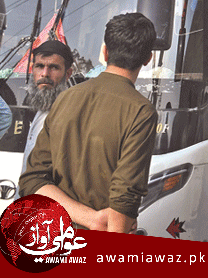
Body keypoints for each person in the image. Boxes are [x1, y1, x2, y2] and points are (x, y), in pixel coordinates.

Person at [19, 13, 157, 233]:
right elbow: (125, 196)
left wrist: (90, 219)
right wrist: (96, 222)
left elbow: (33, 179)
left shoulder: (66, 97)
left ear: (105, 52)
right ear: (148, 58)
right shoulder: (141, 110)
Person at [19, 40, 74, 175]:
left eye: (53, 67)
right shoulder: (42, 106)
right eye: (39, 66)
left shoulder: (71, 114)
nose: (44, 74)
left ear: (68, 74)